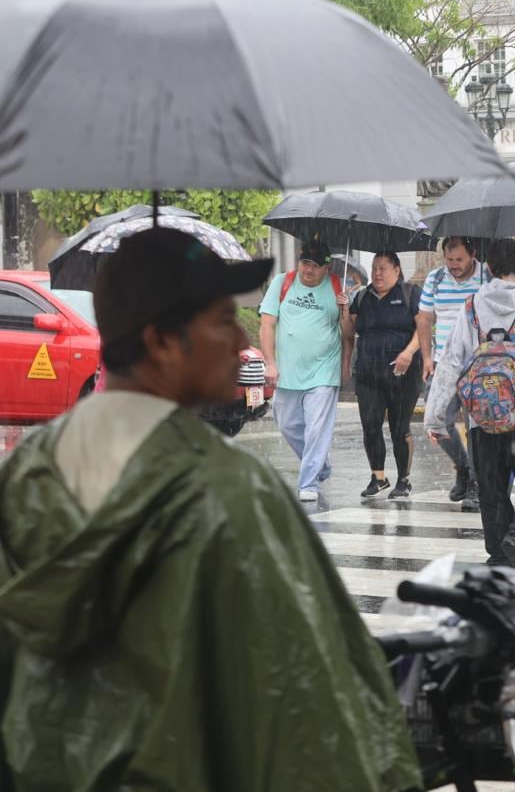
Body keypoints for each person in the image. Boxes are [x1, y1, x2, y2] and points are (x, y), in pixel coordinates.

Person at [0, 229, 419, 791]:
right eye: (221, 321)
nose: (239, 340)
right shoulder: (229, 495)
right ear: (163, 343)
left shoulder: (21, 481)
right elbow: (310, 711)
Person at [424, 238, 515, 579]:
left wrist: (435, 415)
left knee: (492, 488)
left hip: (481, 417)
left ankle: (500, 555)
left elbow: (450, 362)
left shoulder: (471, 305)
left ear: (487, 268)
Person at [259, 239, 351, 502]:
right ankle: (319, 463)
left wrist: (345, 312)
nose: (308, 269)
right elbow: (267, 325)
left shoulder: (337, 287)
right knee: (287, 424)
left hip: (324, 370)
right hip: (288, 371)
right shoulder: (282, 282)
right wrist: (270, 362)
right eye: (305, 263)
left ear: (327, 267)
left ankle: (309, 482)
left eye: (315, 265)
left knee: (316, 429)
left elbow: (348, 335)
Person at [343, 251, 422, 499]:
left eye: (383, 268)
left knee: (400, 427)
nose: (377, 273)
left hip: (403, 373)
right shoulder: (363, 296)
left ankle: (403, 479)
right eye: (375, 268)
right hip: (368, 372)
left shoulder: (410, 293)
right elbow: (349, 332)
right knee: (370, 425)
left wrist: (409, 352)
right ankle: (378, 477)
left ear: (397, 270)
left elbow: (424, 329)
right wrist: (344, 310)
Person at [416, 236, 488, 508]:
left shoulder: (487, 277)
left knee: (477, 427)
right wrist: (426, 357)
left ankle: (478, 483)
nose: (454, 265)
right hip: (443, 364)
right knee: (437, 421)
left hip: (478, 364)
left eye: (459, 259)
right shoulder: (435, 279)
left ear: (472, 254)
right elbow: (424, 319)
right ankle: (464, 467)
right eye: (449, 259)